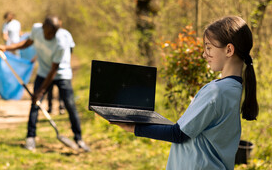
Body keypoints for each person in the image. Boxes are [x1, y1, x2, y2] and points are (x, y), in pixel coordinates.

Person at [111, 16, 259, 170]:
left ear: (229, 49)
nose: (204, 55)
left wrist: (132, 126)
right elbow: (186, 129)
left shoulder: (216, 91)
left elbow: (178, 134)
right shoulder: (234, 89)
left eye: (209, 47)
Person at [0, 15, 90, 152]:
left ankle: (79, 139)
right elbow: (27, 43)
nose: (50, 36)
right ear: (43, 28)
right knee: (34, 104)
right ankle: (30, 138)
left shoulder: (61, 41)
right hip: (43, 72)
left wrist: (40, 91)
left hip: (61, 74)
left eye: (53, 33)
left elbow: (54, 70)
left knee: (70, 105)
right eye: (48, 33)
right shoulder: (36, 30)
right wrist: (7, 47)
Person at [47, 27, 75, 115]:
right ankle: (51, 107)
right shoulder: (50, 34)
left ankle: (60, 107)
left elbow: (71, 48)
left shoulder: (66, 34)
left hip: (62, 70)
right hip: (50, 68)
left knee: (59, 91)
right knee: (50, 89)